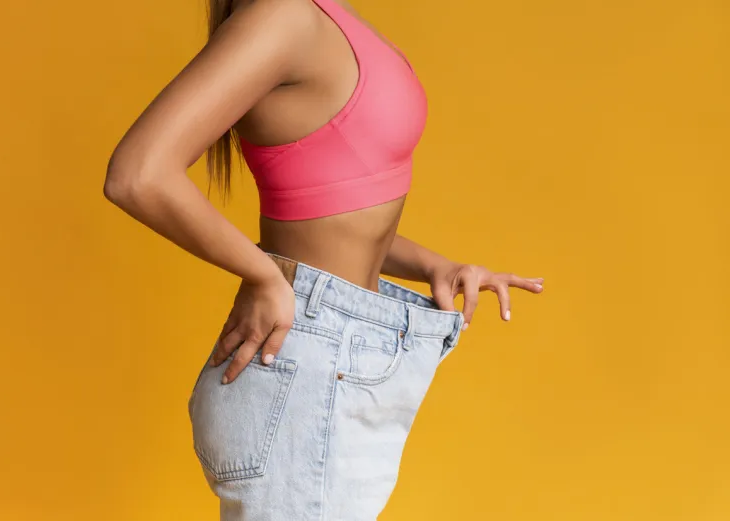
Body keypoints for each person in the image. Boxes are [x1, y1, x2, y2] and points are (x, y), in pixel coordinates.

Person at [104, 0, 544, 519]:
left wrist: (434, 266)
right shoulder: (284, 15)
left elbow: (331, 210)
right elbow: (137, 174)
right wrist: (265, 276)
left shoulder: (318, 15)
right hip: (306, 369)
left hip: (331, 363)